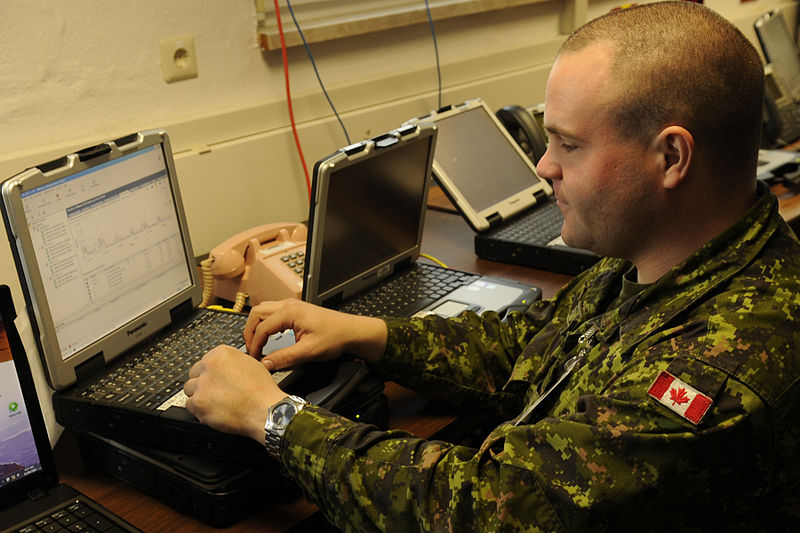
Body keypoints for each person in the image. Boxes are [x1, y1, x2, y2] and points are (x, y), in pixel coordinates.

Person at [184, 2, 800, 531]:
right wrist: (369, 334)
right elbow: (534, 343)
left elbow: (481, 511)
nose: (543, 166)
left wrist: (272, 415)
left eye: (570, 144)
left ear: (671, 156)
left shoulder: (720, 373)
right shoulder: (661, 255)